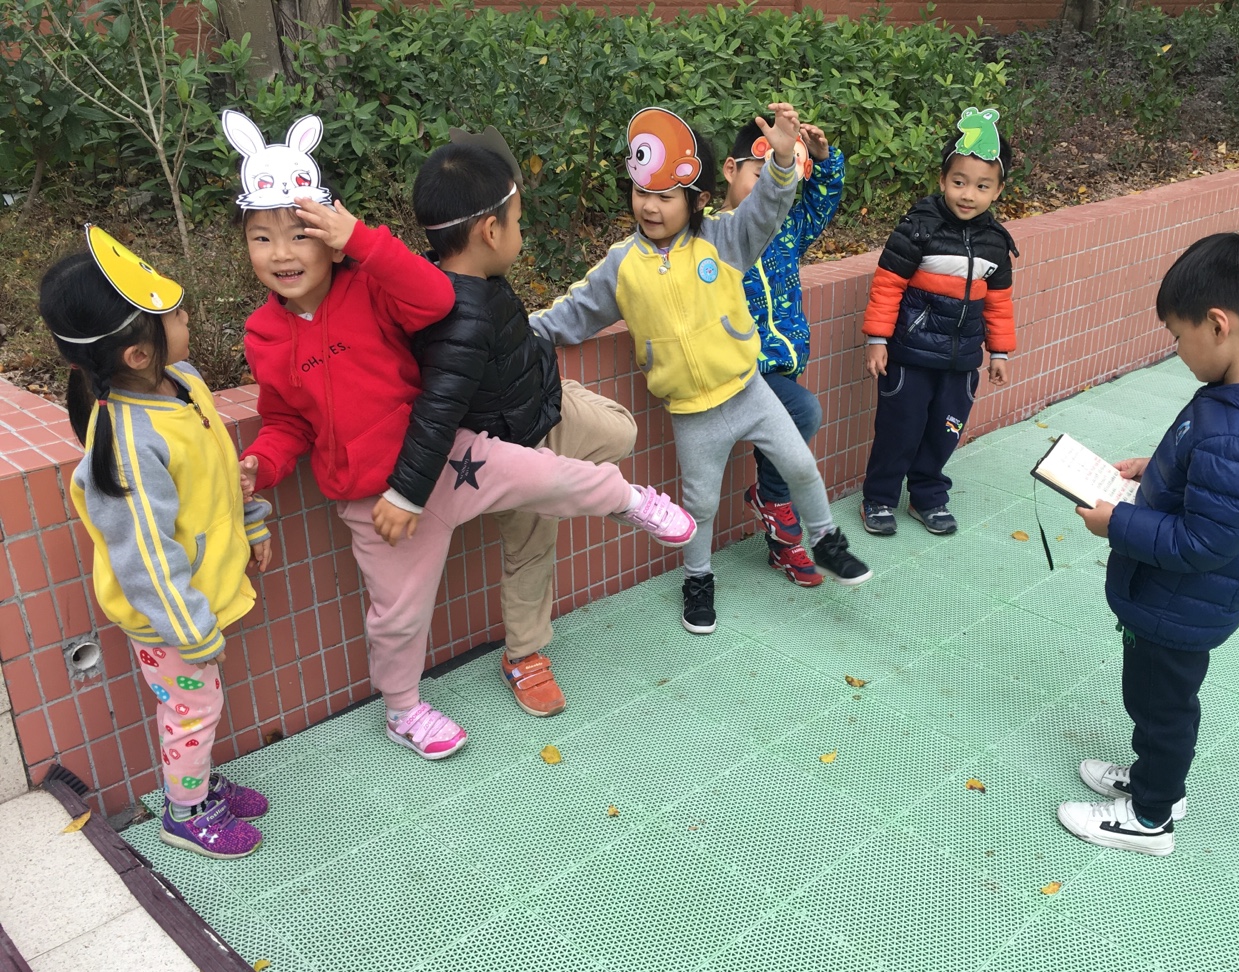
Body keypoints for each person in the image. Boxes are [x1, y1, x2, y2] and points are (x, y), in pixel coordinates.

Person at [224, 110, 693, 761]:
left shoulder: (369, 287)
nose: (280, 254)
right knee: (397, 616)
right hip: (378, 506)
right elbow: (286, 421)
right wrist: (261, 462)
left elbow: (435, 297)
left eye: (299, 235)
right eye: (261, 238)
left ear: (330, 238)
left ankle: (628, 501)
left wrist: (362, 240)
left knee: (542, 472)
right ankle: (402, 711)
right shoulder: (264, 335)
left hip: (449, 459)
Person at [1063, 232, 1239, 856]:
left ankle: (1150, 817)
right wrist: (1158, 469)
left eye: (1177, 335)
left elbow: (1204, 540)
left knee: (1160, 705)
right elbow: (1228, 485)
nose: (1176, 350)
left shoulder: (1235, 433)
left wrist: (1116, 523)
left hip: (1180, 602)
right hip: (1192, 598)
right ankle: (1155, 780)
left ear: (1218, 325)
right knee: (1158, 700)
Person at [531, 103, 871, 635]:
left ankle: (826, 539)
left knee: (801, 466)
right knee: (700, 505)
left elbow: (767, 208)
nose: (650, 206)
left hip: (750, 391)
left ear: (697, 200)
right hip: (692, 412)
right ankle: (698, 578)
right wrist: (519, 333)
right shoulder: (622, 265)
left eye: (667, 196)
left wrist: (783, 160)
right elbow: (574, 313)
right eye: (642, 192)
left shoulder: (724, 239)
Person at [388, 132, 682, 719]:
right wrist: (405, 494)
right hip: (509, 450)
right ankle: (524, 655)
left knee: (620, 431)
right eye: (518, 222)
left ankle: (582, 485)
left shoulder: (474, 276)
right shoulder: (456, 320)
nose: (522, 233)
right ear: (489, 232)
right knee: (532, 545)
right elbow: (436, 412)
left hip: (543, 402)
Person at [43, 226, 272, 859]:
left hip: (191, 598)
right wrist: (190, 630)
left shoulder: (183, 382)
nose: (185, 316)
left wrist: (251, 519)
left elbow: (216, 470)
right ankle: (184, 811)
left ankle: (195, 781)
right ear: (139, 353)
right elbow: (144, 556)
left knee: (200, 706)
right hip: (168, 615)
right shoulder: (129, 443)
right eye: (172, 315)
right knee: (193, 710)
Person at [859, 107, 1018, 538]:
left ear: (998, 190)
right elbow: (887, 285)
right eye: (959, 182)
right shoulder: (917, 229)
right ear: (943, 180)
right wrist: (877, 339)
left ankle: (928, 497)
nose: (969, 194)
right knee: (899, 430)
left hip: (961, 363)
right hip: (910, 358)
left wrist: (999, 352)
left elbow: (999, 302)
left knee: (944, 432)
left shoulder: (996, 243)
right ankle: (879, 497)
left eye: (982, 186)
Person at [720, 116, 846, 587]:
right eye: (761, 174)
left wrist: (824, 159)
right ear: (731, 170)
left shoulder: (787, 227)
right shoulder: (713, 235)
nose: (770, 188)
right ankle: (771, 499)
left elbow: (822, 200)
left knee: (779, 444)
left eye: (783, 178)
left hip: (784, 362)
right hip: (742, 368)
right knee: (804, 413)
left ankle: (783, 546)